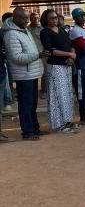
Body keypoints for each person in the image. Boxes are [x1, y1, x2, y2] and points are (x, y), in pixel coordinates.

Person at [2, 8, 50, 140]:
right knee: (26, 105)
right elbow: (16, 57)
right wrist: (37, 55)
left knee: (32, 104)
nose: (26, 21)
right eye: (23, 18)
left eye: (27, 18)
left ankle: (35, 129)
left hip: (32, 73)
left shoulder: (24, 30)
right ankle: (27, 132)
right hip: (23, 75)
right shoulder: (11, 34)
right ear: (14, 18)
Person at [40, 9, 78, 134]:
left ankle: (68, 121)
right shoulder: (45, 32)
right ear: (45, 20)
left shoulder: (61, 30)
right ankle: (59, 124)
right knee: (58, 95)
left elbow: (70, 43)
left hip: (67, 65)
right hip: (56, 67)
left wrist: (71, 56)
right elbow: (51, 50)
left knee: (67, 94)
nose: (54, 20)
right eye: (51, 18)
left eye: (55, 17)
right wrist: (69, 54)